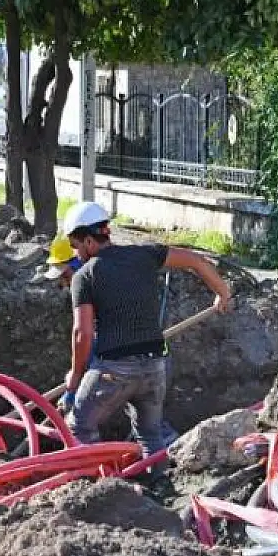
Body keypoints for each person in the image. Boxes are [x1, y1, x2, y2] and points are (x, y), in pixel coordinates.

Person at [60, 201, 231, 477]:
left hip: (114, 369)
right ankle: (160, 487)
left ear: (89, 240)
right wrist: (222, 292)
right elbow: (196, 261)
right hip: (155, 366)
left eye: (76, 245)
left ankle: (98, 491)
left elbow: (83, 333)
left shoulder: (85, 276)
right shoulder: (143, 254)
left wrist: (76, 375)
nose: (76, 252)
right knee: (150, 435)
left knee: (79, 426)